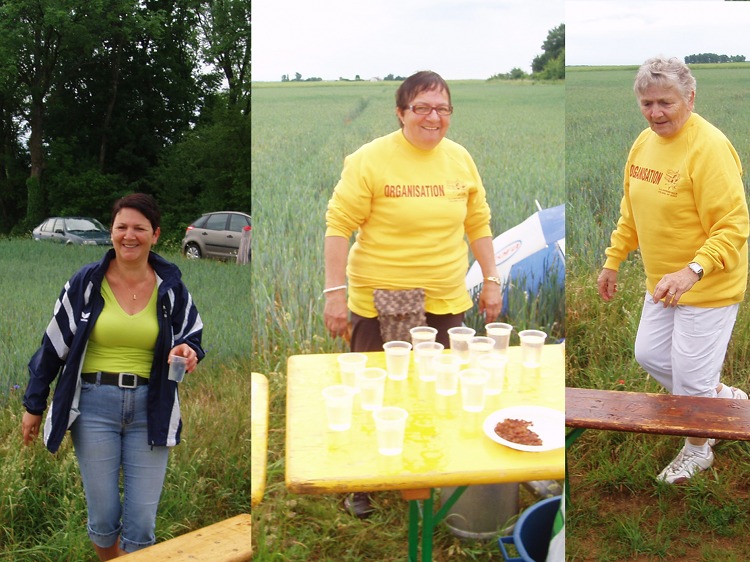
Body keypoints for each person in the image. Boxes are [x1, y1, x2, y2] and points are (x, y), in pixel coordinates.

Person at [323, 70, 502, 516]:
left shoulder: (460, 159)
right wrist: (333, 293)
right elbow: (338, 226)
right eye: (421, 107)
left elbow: (477, 223)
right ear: (401, 113)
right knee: (378, 390)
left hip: (444, 296)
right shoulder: (370, 159)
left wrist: (492, 278)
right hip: (382, 297)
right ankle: (362, 483)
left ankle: (423, 470)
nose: (432, 117)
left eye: (442, 108)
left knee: (436, 389)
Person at [21, 193, 205, 559]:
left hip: (151, 407)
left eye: (140, 228)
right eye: (122, 227)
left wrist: (188, 351)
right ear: (111, 232)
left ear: (155, 235)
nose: (129, 235)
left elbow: (192, 334)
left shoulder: (170, 288)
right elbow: (53, 344)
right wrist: (34, 404)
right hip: (94, 407)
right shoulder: (86, 283)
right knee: (104, 519)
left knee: (141, 524)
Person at [597, 56, 749, 484]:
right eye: (647, 103)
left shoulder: (709, 147)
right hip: (662, 282)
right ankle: (718, 400)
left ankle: (698, 449)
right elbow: (632, 209)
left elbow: (734, 224)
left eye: (666, 102)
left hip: (708, 282)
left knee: (691, 375)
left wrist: (692, 270)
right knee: (648, 354)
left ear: (690, 98)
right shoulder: (643, 143)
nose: (656, 112)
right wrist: (613, 259)